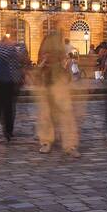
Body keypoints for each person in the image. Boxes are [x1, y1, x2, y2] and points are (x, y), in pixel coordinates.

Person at [35, 19, 79, 158]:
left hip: (59, 83)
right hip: (49, 82)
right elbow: (40, 63)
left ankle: (69, 144)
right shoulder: (47, 46)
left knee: (65, 114)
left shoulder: (63, 48)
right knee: (48, 114)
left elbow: (65, 64)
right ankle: (48, 141)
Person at [0, 26, 28, 142]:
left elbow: (23, 60)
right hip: (1, 78)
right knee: (3, 104)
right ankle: (3, 124)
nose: (12, 34)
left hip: (14, 79)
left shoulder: (21, 46)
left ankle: (8, 130)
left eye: (14, 32)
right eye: (10, 32)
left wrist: (24, 75)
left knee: (10, 105)